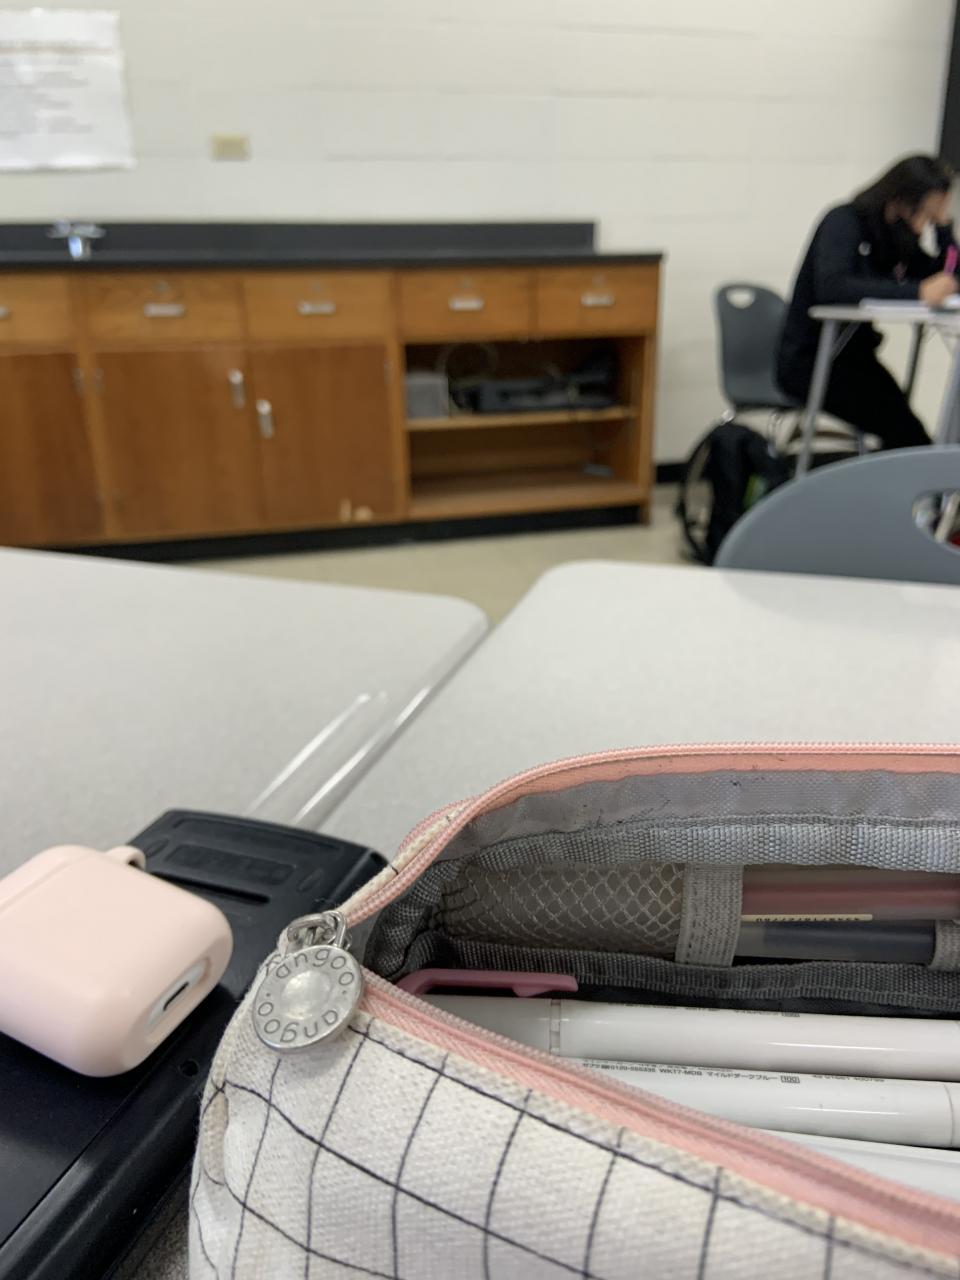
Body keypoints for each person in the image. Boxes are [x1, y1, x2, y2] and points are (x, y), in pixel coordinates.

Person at [777, 155, 959, 449]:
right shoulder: (844, 220)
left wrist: (944, 228)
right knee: (906, 433)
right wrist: (918, 292)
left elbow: (944, 275)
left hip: (854, 359)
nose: (922, 226)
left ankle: (903, 476)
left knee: (909, 433)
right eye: (926, 212)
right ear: (903, 198)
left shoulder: (895, 234)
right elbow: (833, 287)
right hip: (811, 361)